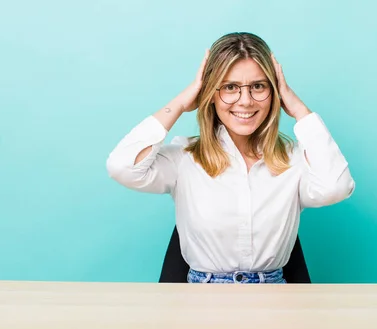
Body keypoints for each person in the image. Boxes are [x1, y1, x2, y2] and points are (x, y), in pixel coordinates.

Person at [106, 32, 355, 284]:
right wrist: (181, 102)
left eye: (258, 86)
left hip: (277, 301)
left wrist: (300, 110)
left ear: (275, 92)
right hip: (201, 303)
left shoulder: (294, 160)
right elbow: (122, 167)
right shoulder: (184, 158)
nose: (245, 101)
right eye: (229, 87)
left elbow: (336, 188)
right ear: (210, 94)